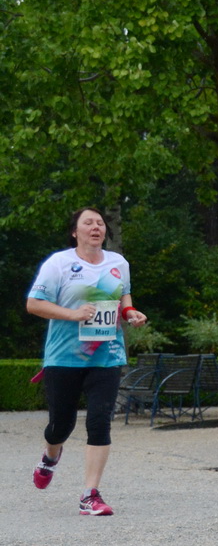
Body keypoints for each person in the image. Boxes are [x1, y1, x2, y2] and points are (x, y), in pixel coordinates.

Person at [25, 207, 148, 516]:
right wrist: (73, 314)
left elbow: (124, 298)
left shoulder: (118, 263)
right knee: (60, 425)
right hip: (64, 357)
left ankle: (89, 495)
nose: (96, 227)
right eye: (88, 223)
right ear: (75, 231)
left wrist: (130, 313)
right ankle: (50, 456)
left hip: (107, 355)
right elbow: (33, 304)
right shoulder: (60, 263)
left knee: (99, 421)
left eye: (100, 223)